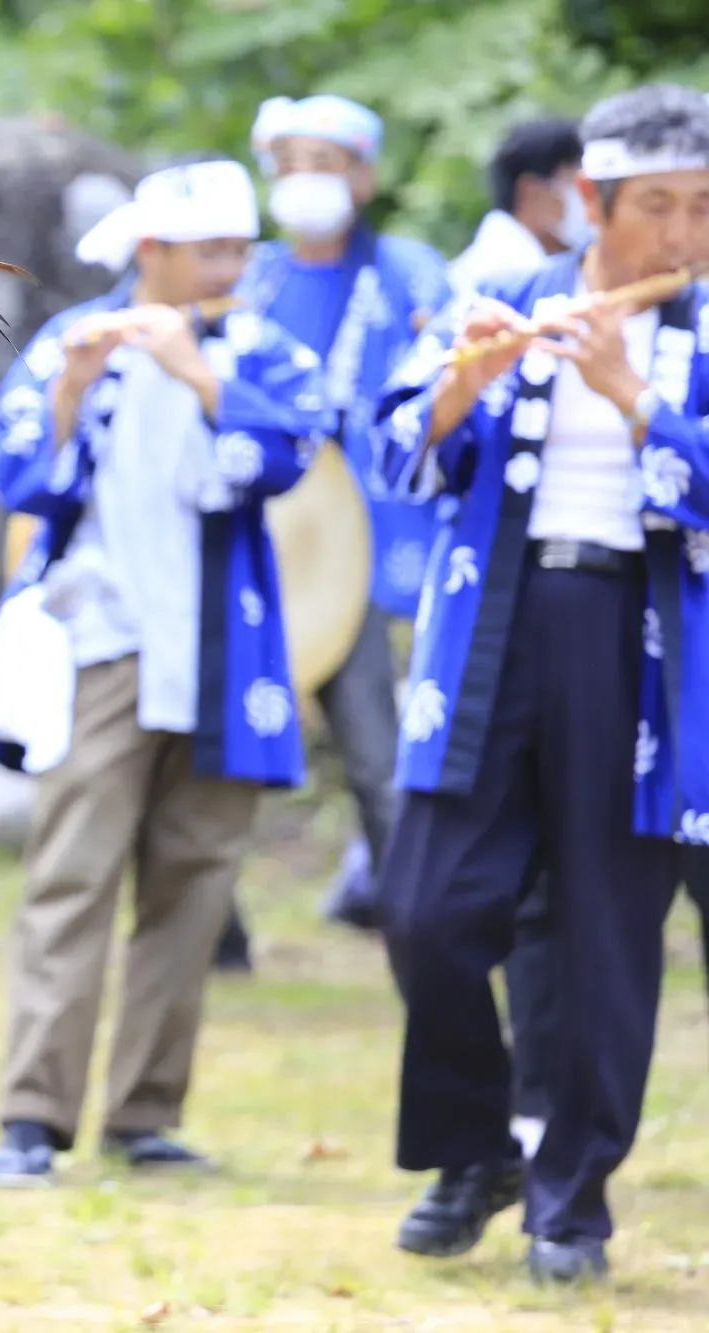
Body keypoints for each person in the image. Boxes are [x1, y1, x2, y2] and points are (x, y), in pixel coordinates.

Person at [371, 83, 709, 1284]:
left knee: (603, 933)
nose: (681, 234)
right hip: (494, 623)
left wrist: (633, 394)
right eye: (657, 205)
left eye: (703, 207)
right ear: (589, 202)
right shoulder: (502, 294)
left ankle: (571, 1202)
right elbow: (398, 441)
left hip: (644, 639)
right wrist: (459, 385)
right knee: (424, 909)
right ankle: (476, 1145)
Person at [0, 160, 330, 1184]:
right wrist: (76, 387)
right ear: (149, 254)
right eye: (209, 250)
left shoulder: (260, 348)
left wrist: (200, 374)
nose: (229, 268)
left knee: (194, 883)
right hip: (102, 644)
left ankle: (145, 1112)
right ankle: (32, 1115)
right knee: (70, 875)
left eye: (236, 249)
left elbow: (295, 449)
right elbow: (16, 471)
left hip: (224, 650)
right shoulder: (68, 341)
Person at [237, 95, 453, 939]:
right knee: (216, 751)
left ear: (362, 176)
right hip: (259, 541)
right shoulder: (251, 275)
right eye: (289, 164)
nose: (304, 183)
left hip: (349, 548)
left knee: (373, 745)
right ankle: (216, 934)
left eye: (323, 163)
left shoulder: (408, 272)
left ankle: (415, 922)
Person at [449, 118, 591, 302]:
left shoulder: (545, 261)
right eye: (575, 184)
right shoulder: (504, 272)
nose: (589, 199)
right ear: (531, 191)